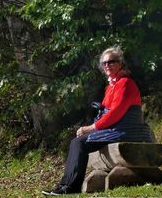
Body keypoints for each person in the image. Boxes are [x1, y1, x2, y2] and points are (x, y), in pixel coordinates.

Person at [42, 46, 155, 196]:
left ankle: (70, 187)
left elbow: (115, 114)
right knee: (77, 141)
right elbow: (106, 113)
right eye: (104, 63)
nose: (107, 65)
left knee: (79, 143)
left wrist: (90, 128)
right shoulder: (111, 86)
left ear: (120, 63)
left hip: (126, 131)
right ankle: (65, 185)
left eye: (111, 62)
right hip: (115, 129)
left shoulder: (125, 84)